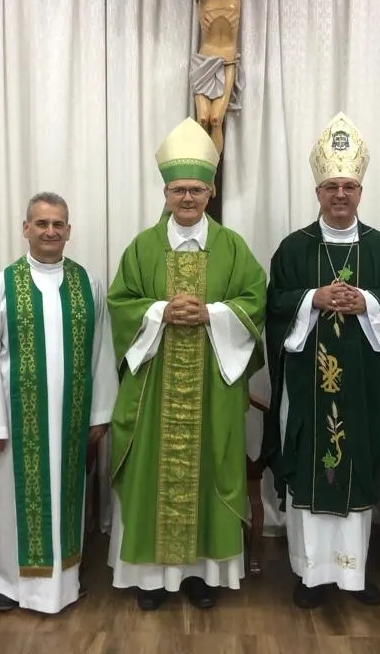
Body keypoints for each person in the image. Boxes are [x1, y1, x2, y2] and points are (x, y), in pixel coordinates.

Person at [106, 117, 266, 611]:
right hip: (154, 392)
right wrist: (158, 311)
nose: (188, 198)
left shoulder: (234, 247)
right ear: (166, 192)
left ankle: (202, 576)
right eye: (179, 190)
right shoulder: (141, 248)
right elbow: (120, 304)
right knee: (151, 476)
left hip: (211, 391)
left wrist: (213, 313)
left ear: (211, 189)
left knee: (209, 473)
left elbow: (255, 301)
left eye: (197, 189)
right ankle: (152, 581)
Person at [261, 112, 380, 609]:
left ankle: (353, 576)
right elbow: (273, 305)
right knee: (312, 465)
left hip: (362, 391)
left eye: (349, 186)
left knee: (355, 469)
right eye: (331, 186)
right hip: (308, 388)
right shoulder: (293, 248)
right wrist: (314, 298)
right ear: (318, 192)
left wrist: (367, 302)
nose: (340, 195)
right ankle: (310, 575)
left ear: (360, 192)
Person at [0, 193, 118, 614]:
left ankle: (65, 583)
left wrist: (99, 413)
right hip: (16, 421)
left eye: (58, 224)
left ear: (69, 230)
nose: (51, 231)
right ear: (25, 228)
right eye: (42, 223)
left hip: (71, 419)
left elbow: (101, 351)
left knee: (67, 499)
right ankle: (9, 585)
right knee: (14, 505)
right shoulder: (3, 283)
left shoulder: (88, 283)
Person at [109, 0, 319, 154]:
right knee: (202, 119)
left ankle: (210, 176)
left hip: (227, 61)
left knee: (216, 119)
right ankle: (202, 170)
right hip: (203, 61)